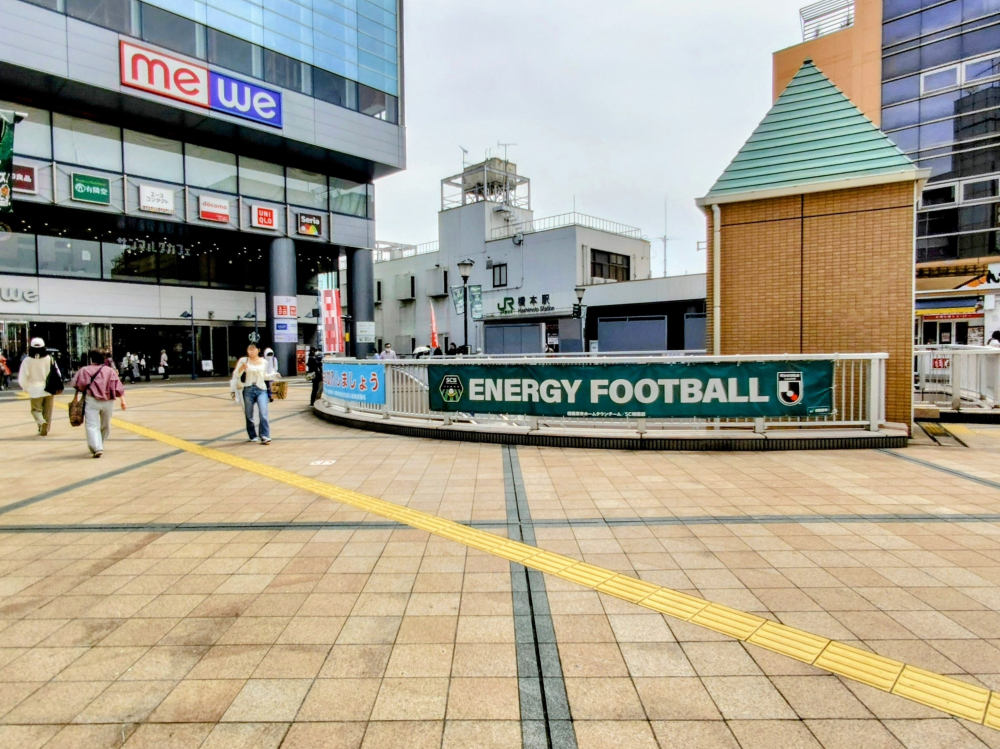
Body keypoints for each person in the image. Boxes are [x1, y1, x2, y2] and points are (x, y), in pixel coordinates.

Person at [69, 349, 126, 458]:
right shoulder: (110, 371)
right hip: (108, 401)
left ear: (91, 358)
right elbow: (118, 387)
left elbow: (80, 385)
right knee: (106, 425)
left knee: (92, 425)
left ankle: (97, 447)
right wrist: (123, 400)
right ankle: (100, 443)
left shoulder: (85, 370)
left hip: (92, 400)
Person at [231, 342, 279, 444]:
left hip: (261, 389)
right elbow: (236, 374)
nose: (251, 351)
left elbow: (264, 375)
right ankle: (252, 435)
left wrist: (273, 375)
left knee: (263, 413)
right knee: (249, 415)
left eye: (253, 349)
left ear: (258, 350)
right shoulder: (244, 361)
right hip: (248, 389)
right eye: (249, 349)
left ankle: (265, 435)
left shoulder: (264, 362)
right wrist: (241, 369)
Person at [18, 338, 60, 436]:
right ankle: (46, 428)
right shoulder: (50, 359)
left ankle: (41, 423)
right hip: (49, 388)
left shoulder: (27, 360)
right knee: (48, 411)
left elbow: (23, 376)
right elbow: (57, 373)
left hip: (34, 389)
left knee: (36, 410)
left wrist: (25, 387)